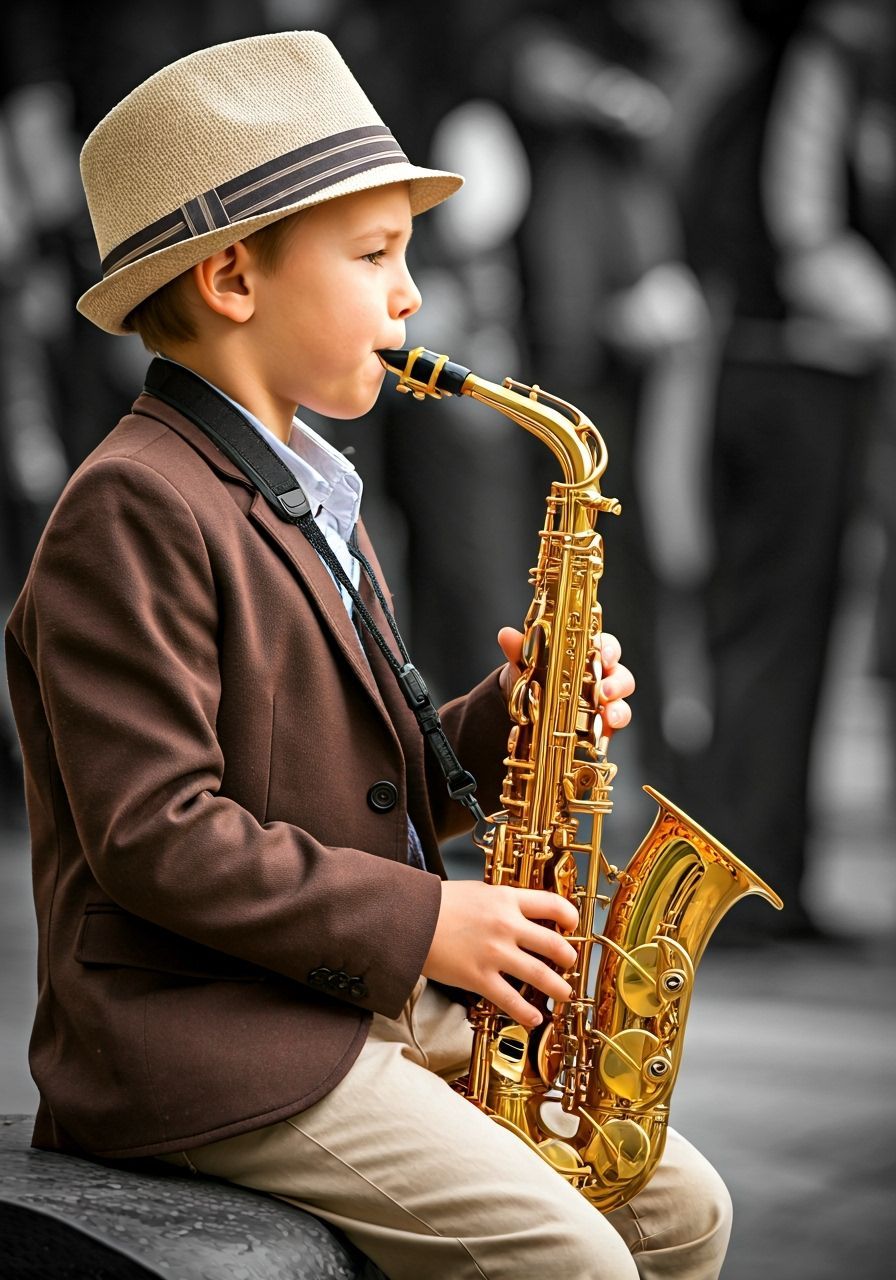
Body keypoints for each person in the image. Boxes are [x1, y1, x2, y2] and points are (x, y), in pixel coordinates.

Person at [4, 32, 732, 1279]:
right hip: (205, 1046)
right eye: (374, 255)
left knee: (678, 1207)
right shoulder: (132, 502)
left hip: (328, 1000)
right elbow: (157, 833)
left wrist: (520, 715)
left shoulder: (304, 483)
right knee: (573, 1256)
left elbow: (362, 781)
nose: (411, 296)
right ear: (234, 278)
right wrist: (426, 923)